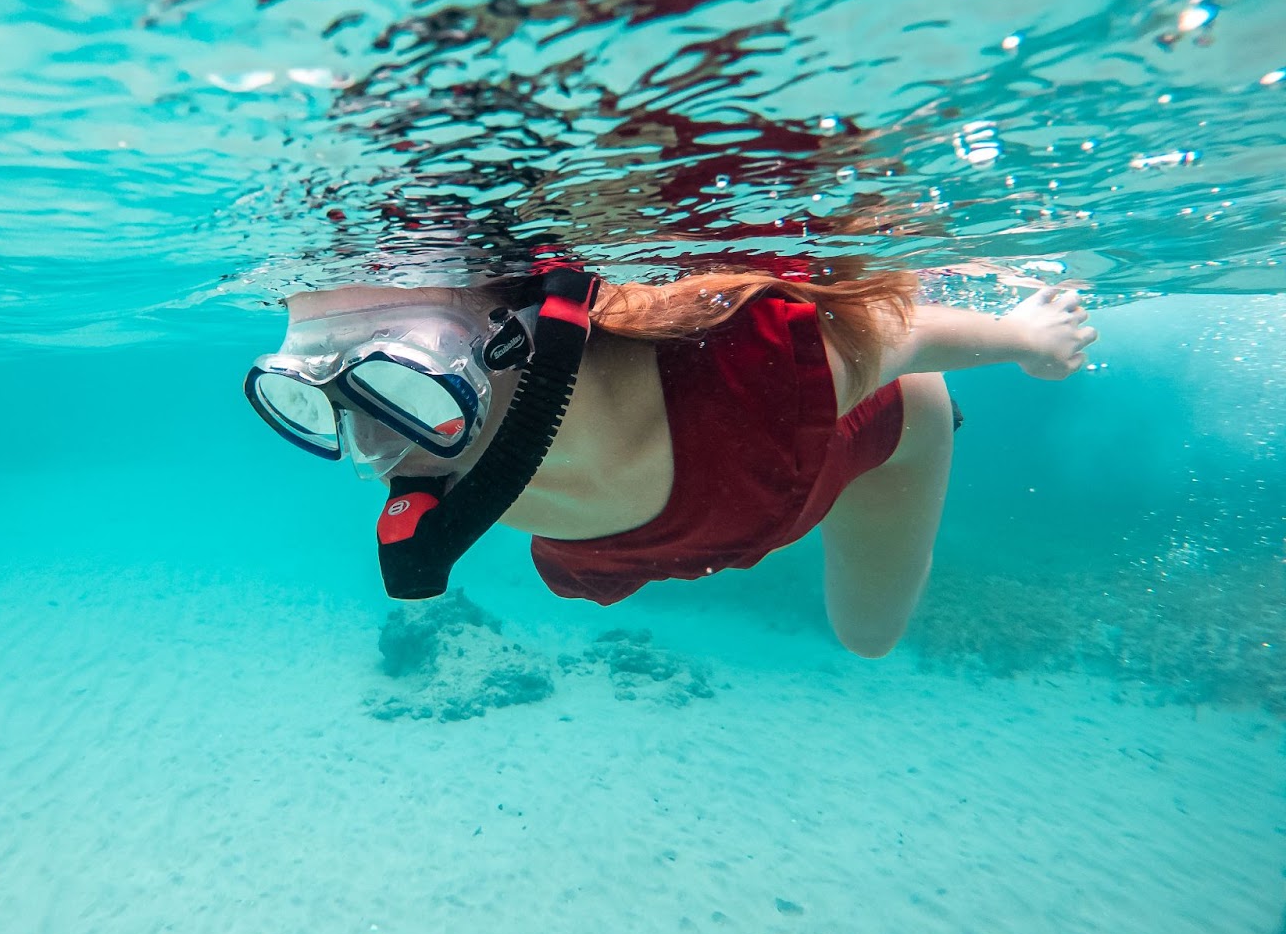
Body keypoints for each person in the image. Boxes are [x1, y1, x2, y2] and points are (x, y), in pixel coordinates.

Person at [245, 268, 1097, 657]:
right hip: (629, 535)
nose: (372, 445)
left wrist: (1028, 340)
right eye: (317, 393)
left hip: (850, 437)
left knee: (868, 637)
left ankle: (929, 410)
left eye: (400, 381)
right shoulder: (441, 447)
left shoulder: (749, 373)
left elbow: (897, 331)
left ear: (522, 337)